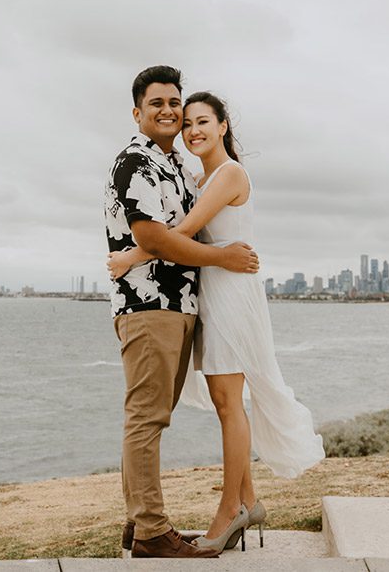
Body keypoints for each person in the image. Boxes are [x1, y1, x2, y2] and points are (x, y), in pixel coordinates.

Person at [109, 90, 325, 553]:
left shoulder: (229, 174)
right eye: (187, 125)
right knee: (228, 402)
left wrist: (132, 255)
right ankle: (248, 500)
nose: (192, 131)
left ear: (224, 125)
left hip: (229, 294)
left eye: (202, 121)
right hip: (212, 293)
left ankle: (230, 510)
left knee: (229, 404)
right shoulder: (198, 176)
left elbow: (182, 232)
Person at [105, 66, 260, 559]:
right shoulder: (135, 163)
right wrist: (222, 257)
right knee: (147, 418)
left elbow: (186, 227)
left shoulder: (175, 166)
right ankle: (152, 531)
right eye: (159, 104)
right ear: (138, 112)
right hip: (148, 305)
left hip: (182, 305)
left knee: (152, 417)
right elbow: (153, 237)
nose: (171, 112)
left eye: (176, 102)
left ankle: (140, 523)